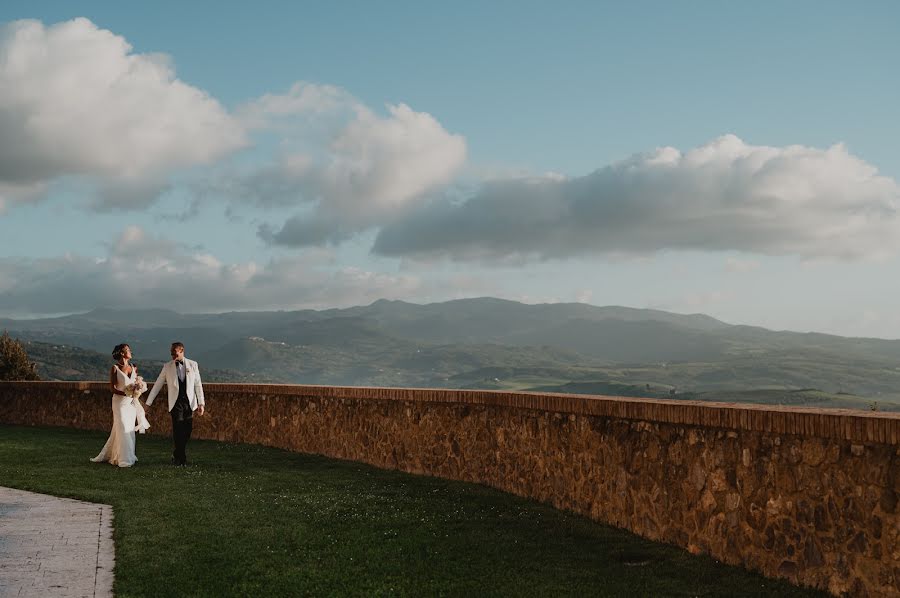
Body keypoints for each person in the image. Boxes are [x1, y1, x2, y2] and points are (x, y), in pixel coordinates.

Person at [145, 342, 205, 466]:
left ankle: (176, 454)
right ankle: (181, 460)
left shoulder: (193, 365)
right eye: (171, 353)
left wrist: (201, 403)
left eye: (174, 352)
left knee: (187, 431)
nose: (172, 355)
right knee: (178, 431)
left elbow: (198, 384)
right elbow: (157, 385)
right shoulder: (167, 367)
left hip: (189, 403)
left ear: (181, 350)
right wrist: (148, 403)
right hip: (175, 404)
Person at [91, 343, 150, 467]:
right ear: (122, 353)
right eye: (128, 350)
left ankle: (127, 455)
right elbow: (112, 388)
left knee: (128, 429)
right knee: (122, 427)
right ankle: (124, 459)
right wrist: (126, 393)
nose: (130, 352)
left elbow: (136, 383)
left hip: (130, 404)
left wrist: (137, 389)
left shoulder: (134, 367)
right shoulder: (115, 368)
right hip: (119, 403)